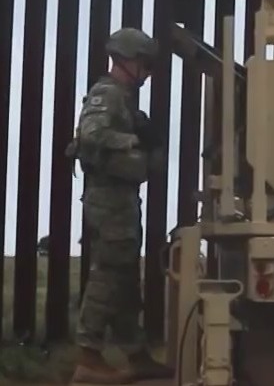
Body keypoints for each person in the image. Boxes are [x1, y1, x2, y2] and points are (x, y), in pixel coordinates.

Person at [68, 28, 173, 384]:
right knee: (110, 273)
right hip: (108, 199)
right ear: (127, 60)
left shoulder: (126, 100)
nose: (147, 72)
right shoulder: (107, 94)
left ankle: (136, 355)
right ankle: (88, 357)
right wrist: (131, 141)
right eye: (144, 64)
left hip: (122, 199)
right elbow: (91, 135)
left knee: (126, 277)